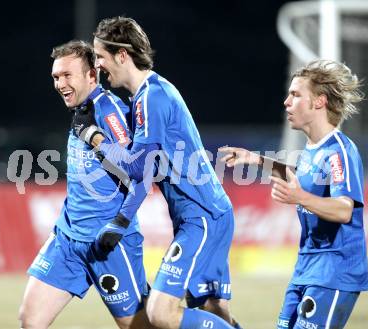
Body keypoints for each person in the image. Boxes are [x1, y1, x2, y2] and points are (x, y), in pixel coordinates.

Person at [73, 16, 243, 329]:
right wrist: (122, 220)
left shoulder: (152, 97)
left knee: (160, 313)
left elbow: (138, 166)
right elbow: (147, 171)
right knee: (213, 311)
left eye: (100, 56)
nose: (97, 65)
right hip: (205, 214)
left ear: (122, 55)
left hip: (202, 217)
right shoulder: (146, 95)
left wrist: (93, 137)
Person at [219, 59, 368, 329]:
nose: (287, 102)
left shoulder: (340, 152)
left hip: (335, 270)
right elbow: (301, 176)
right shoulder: (313, 149)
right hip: (306, 267)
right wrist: (254, 160)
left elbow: (345, 209)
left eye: (296, 95)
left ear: (319, 102)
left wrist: (299, 197)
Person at [18, 40, 153, 329]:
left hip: (109, 244)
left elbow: (141, 173)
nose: (60, 84)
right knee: (30, 320)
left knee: (141, 326)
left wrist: (119, 223)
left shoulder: (110, 111)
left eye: (68, 75)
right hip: (67, 240)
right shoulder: (81, 110)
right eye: (56, 77)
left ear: (93, 74)